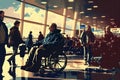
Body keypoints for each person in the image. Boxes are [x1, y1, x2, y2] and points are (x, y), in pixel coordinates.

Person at [0, 11, 8, 77]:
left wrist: (7, 42)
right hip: (1, 45)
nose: (3, 16)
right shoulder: (2, 24)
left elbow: (5, 34)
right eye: (2, 15)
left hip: (2, 44)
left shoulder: (3, 24)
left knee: (2, 58)